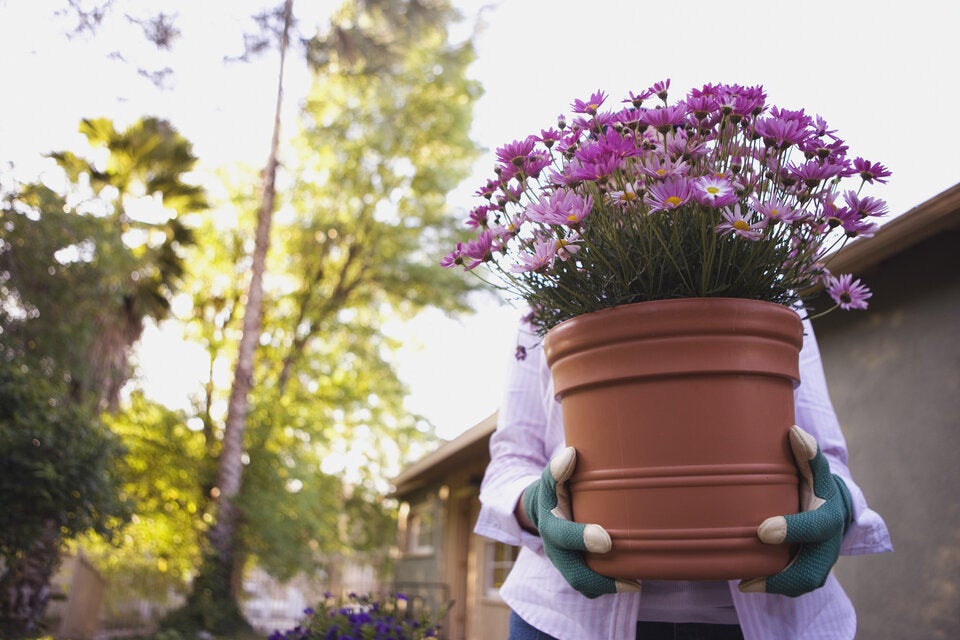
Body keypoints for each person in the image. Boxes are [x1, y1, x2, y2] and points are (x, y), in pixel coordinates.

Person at [474, 314, 892, 639]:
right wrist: (534, 505)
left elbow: (823, 451)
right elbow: (512, 458)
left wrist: (836, 497)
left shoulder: (776, 283)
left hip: (779, 618)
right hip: (564, 620)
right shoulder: (546, 301)